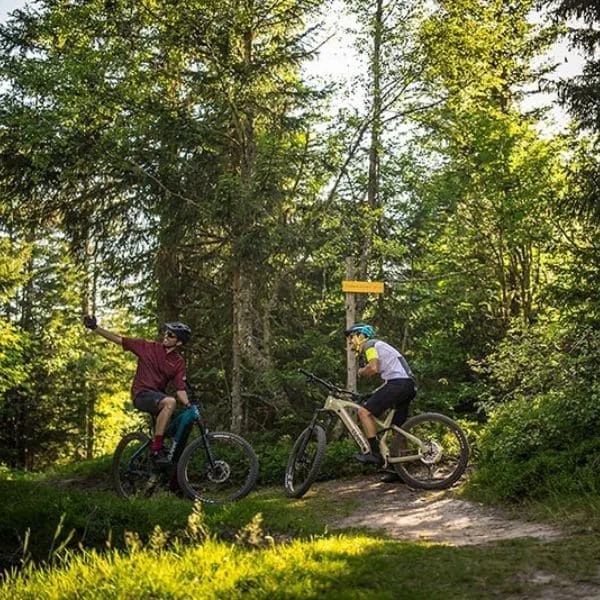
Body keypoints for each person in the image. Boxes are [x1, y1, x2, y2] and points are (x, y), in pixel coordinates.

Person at [83, 315, 192, 463]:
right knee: (170, 402)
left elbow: (180, 389)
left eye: (171, 335)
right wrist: (95, 328)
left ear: (179, 342)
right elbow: (118, 339)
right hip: (141, 394)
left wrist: (188, 404)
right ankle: (156, 449)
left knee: (179, 422)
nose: (166, 336)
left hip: (158, 398)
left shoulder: (178, 362)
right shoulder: (147, 347)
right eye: (166, 333)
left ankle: (163, 469)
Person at [345, 322, 416, 483]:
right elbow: (389, 379)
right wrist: (371, 394)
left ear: (361, 336)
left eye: (351, 337)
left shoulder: (369, 345)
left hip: (398, 384)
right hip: (407, 385)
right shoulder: (380, 346)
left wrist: (361, 371)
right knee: (398, 429)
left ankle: (375, 454)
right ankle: (401, 471)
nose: (349, 342)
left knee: (364, 412)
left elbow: (373, 368)